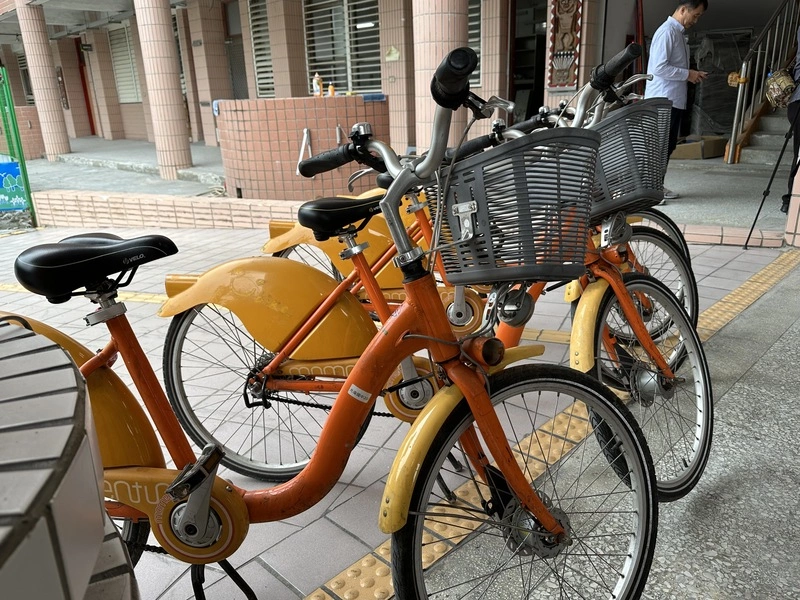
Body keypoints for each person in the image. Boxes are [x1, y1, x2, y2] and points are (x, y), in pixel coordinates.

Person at [645, 0, 708, 201]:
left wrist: (691, 74)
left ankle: (656, 186)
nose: (695, 20)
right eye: (695, 15)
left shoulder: (678, 34)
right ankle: (650, 189)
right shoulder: (667, 32)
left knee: (668, 145)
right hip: (663, 99)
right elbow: (659, 68)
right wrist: (688, 74)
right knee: (659, 146)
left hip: (673, 99)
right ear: (683, 9)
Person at [781, 28, 800, 214]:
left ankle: (790, 200)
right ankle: (790, 199)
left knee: (799, 154)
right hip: (799, 102)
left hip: (796, 102)